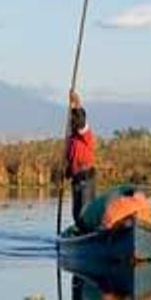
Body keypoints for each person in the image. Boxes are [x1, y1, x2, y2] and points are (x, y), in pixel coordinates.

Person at [66, 89, 96, 230]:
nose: (72, 122)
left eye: (73, 120)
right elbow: (70, 160)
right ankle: (81, 231)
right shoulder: (71, 140)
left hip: (86, 177)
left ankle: (88, 232)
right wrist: (66, 172)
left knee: (85, 212)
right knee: (76, 214)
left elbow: (80, 121)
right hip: (76, 179)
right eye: (71, 121)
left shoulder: (86, 135)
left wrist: (76, 105)